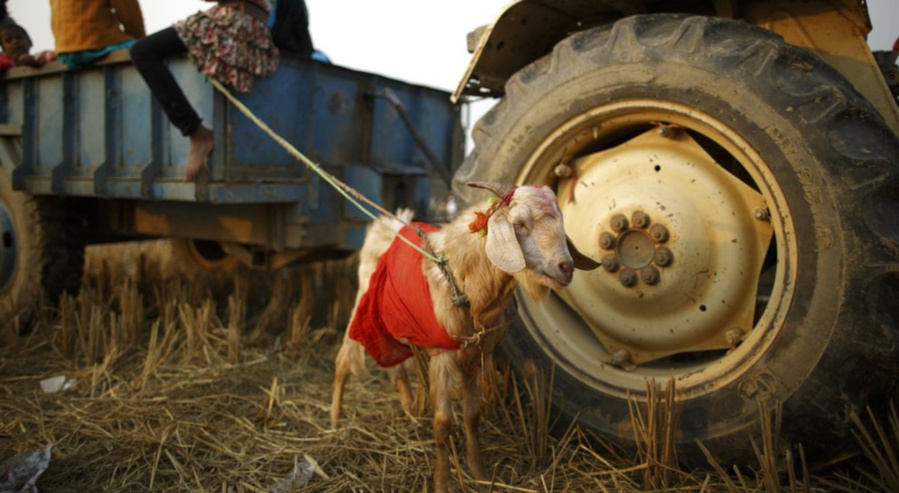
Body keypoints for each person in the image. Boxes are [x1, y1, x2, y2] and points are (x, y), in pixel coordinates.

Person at [130, 0, 279, 181]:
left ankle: (196, 132)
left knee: (142, 51)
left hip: (235, 20)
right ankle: (196, 131)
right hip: (249, 22)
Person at [49, 0, 145, 69]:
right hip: (96, 46)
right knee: (149, 47)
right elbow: (130, 14)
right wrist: (141, 40)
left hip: (65, 52)